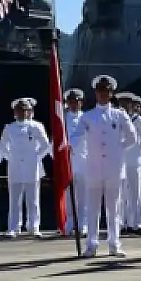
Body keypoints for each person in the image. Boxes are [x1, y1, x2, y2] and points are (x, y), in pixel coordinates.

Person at [72, 74, 141, 258]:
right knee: (92, 208)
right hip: (94, 168)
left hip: (114, 168)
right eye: (101, 91)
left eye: (107, 91)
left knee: (114, 209)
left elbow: (132, 137)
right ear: (96, 93)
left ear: (111, 93)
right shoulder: (87, 116)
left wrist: (118, 149)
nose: (103, 94)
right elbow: (76, 136)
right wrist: (67, 146)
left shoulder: (119, 115)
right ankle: (92, 244)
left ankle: (114, 243)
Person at [1, 97, 53, 236]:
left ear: (30, 111)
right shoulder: (9, 128)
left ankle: (34, 226)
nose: (22, 113)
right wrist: (11, 157)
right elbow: (3, 147)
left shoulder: (36, 126)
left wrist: (36, 157)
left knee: (33, 199)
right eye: (19, 110)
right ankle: (13, 227)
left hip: (32, 167)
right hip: (15, 167)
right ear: (15, 112)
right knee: (14, 200)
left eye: (25, 110)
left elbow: (45, 145)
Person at [119, 93, 141, 233]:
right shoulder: (118, 119)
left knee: (135, 193)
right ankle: (123, 223)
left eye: (128, 104)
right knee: (122, 194)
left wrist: (139, 155)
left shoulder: (139, 121)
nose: (125, 106)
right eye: (123, 103)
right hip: (120, 161)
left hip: (134, 160)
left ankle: (138, 223)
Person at [61, 89, 89, 237]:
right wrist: (59, 158)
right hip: (67, 161)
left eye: (76, 102)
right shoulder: (63, 119)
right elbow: (56, 142)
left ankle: (83, 224)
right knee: (68, 195)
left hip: (83, 160)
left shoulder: (86, 118)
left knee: (83, 195)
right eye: (71, 102)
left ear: (81, 103)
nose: (73, 104)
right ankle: (70, 223)